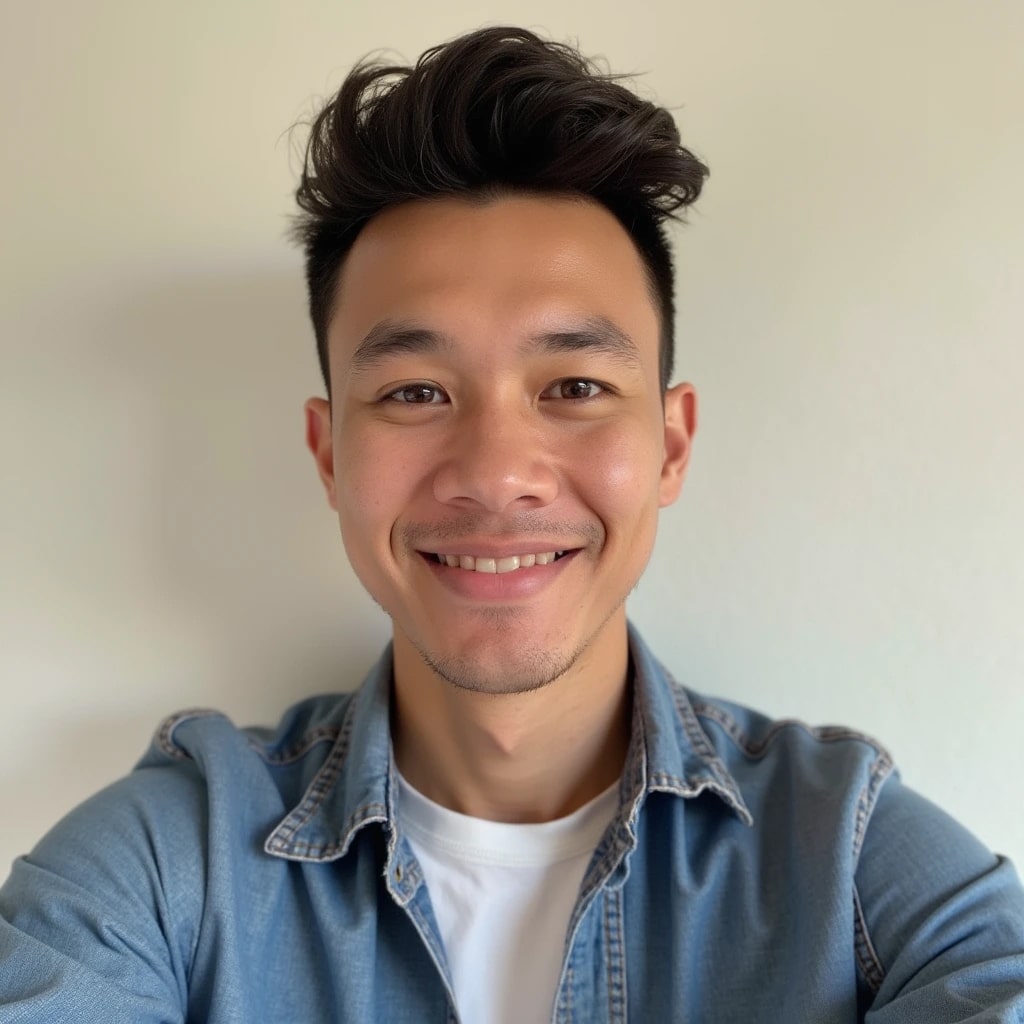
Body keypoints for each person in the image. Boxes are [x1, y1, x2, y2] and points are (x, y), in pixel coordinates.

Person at [1, 24, 1022, 1023]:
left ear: (671, 445)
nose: (495, 474)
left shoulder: (847, 851)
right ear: (329, 454)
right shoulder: (166, 860)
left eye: (573, 385)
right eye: (414, 392)